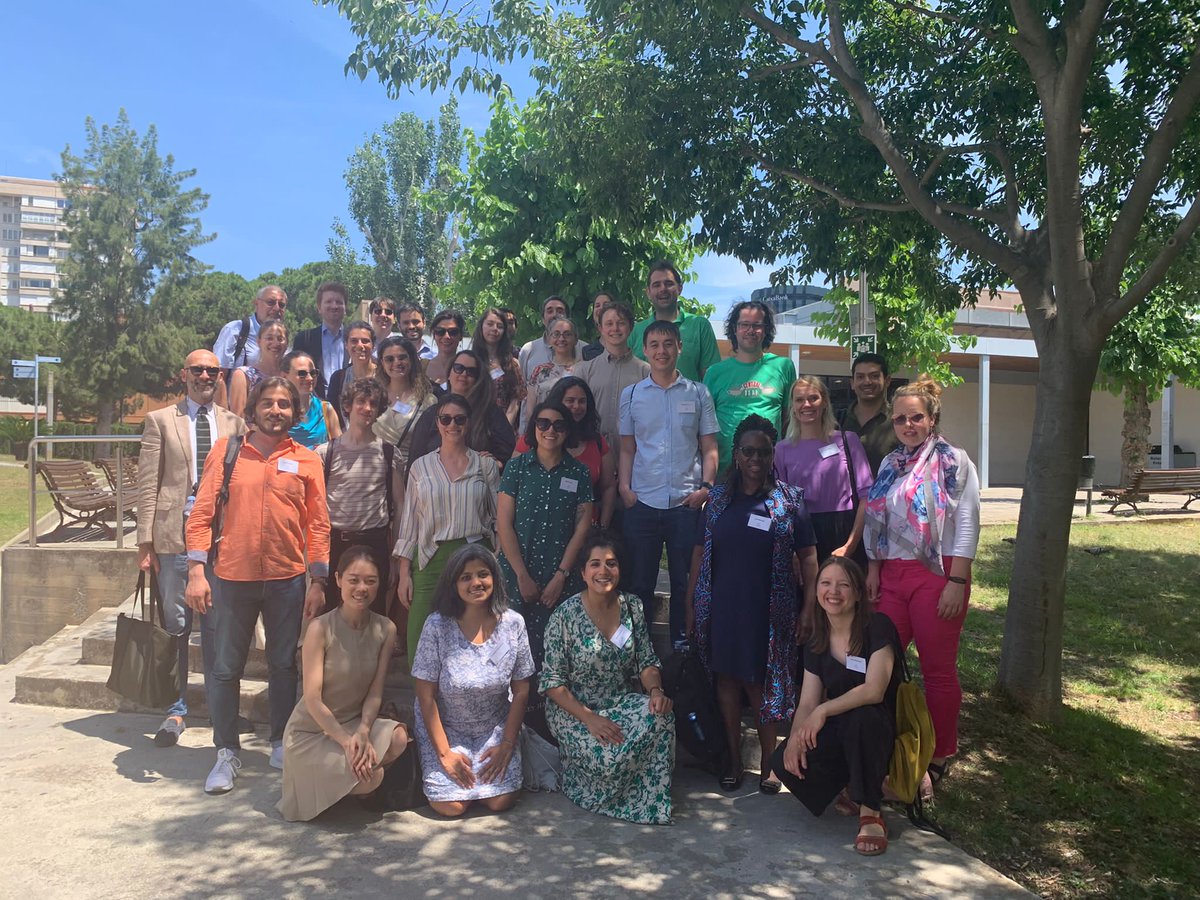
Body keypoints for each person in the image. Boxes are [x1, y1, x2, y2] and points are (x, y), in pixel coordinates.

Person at [185, 376, 331, 795]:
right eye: (268, 403)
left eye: (285, 404)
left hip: (287, 579)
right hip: (232, 578)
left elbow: (318, 524)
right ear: (254, 410)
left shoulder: (306, 460)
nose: (276, 411)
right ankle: (226, 751)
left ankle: (279, 741)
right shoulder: (229, 452)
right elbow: (200, 514)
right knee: (226, 669)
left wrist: (318, 579)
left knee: (283, 665)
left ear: (295, 412)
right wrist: (197, 570)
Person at [686, 414, 818, 792]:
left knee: (762, 684)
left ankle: (770, 763)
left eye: (763, 451)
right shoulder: (717, 502)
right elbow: (698, 555)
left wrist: (809, 607)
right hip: (723, 607)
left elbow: (809, 558)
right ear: (737, 455)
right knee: (727, 682)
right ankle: (731, 760)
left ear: (772, 454)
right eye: (748, 451)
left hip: (770, 612)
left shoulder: (789, 501)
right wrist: (691, 605)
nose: (756, 458)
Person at [864, 376, 979, 795]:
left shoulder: (955, 461)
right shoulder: (890, 464)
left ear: (932, 418)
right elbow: (882, 521)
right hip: (891, 575)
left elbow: (967, 523)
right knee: (881, 664)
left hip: (937, 573)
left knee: (937, 670)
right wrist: (874, 569)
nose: (908, 425)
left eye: (916, 417)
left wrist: (957, 581)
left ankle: (939, 754)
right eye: (900, 419)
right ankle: (889, 744)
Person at [136, 350, 246, 748]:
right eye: (197, 369)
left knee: (219, 629)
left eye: (212, 370)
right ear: (183, 374)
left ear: (219, 376)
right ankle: (175, 709)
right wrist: (144, 543)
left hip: (221, 540)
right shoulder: (161, 420)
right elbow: (148, 484)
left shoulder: (235, 424)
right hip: (173, 539)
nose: (205, 375)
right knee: (176, 628)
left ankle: (222, 710)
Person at [769, 557, 901, 856]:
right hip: (843, 721)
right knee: (783, 763)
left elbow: (875, 690)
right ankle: (855, 785)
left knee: (862, 719)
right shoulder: (818, 638)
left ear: (857, 593)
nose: (834, 591)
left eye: (844, 585)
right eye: (826, 583)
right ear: (816, 591)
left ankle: (870, 811)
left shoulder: (877, 626)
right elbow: (808, 702)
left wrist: (823, 711)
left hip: (880, 723)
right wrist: (794, 741)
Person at [541, 531, 675, 825]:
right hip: (574, 709)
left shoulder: (632, 607)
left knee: (661, 716)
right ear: (583, 573)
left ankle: (647, 803)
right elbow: (552, 683)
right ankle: (586, 785)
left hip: (619, 700)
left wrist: (654, 691)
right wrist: (589, 718)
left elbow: (646, 661)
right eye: (595, 564)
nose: (604, 571)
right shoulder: (564, 617)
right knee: (610, 756)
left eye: (611, 564)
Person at [278, 547, 411, 821]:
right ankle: (344, 781)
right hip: (312, 733)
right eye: (353, 580)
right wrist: (346, 741)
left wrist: (363, 731)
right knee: (372, 779)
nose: (361, 588)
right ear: (338, 579)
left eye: (370, 581)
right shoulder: (319, 628)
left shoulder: (386, 629)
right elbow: (312, 699)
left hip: (354, 723)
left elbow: (375, 691)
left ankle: (343, 781)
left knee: (398, 738)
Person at [411, 545, 535, 817]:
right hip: (447, 728)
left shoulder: (513, 624)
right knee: (451, 806)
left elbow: (522, 690)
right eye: (465, 577)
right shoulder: (436, 625)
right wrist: (445, 754)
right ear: (453, 584)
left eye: (483, 574)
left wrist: (507, 743)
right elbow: (425, 694)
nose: (476, 582)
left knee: (499, 801)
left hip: (494, 728)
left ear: (495, 579)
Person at [619, 320, 719, 647]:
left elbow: (709, 446)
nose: (661, 351)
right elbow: (627, 448)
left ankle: (682, 649)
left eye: (668, 344)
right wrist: (624, 489)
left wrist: (706, 487)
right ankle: (639, 651)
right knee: (640, 584)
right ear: (645, 350)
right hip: (642, 503)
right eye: (655, 345)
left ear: (679, 347)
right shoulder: (631, 394)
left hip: (685, 504)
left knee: (684, 582)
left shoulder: (699, 393)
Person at [393, 393, 502, 660]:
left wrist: (499, 558)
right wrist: (404, 573)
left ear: (468, 423)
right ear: (438, 423)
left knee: (472, 633)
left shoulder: (485, 465)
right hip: (431, 556)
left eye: (459, 419)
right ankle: (424, 700)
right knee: (420, 635)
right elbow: (410, 522)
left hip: (475, 554)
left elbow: (498, 517)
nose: (452, 425)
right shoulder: (420, 466)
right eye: (446, 418)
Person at [496, 400, 594, 672]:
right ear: (534, 427)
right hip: (518, 571)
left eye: (559, 425)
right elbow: (503, 523)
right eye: (543, 423)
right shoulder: (516, 468)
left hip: (560, 575)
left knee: (557, 652)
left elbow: (582, 528)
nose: (550, 430)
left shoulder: (579, 473)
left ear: (567, 431)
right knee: (510, 650)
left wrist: (561, 576)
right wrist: (521, 575)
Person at [315, 378, 401, 616]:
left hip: (374, 543)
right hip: (335, 544)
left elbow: (400, 506)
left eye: (373, 403)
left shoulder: (388, 452)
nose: (367, 408)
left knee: (372, 619)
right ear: (347, 406)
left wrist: (395, 558)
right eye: (361, 401)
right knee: (332, 617)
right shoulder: (325, 453)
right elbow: (315, 509)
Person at [774, 376, 873, 567]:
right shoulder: (781, 449)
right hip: (802, 535)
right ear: (792, 406)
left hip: (845, 531)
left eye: (813, 398)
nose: (807, 404)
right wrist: (791, 549)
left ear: (825, 402)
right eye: (800, 400)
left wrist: (850, 545)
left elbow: (867, 497)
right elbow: (781, 505)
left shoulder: (848, 441)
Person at [703, 300, 796, 472]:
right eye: (744, 324)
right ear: (734, 329)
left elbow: (789, 419)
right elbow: (705, 426)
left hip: (770, 470)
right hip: (725, 471)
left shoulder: (784, 367)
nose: (750, 330)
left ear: (766, 329)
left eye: (757, 325)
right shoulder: (715, 373)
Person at [513, 377, 616, 528]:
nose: (576, 406)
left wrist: (603, 528)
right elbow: (512, 486)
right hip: (535, 528)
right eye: (570, 400)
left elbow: (609, 487)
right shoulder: (532, 439)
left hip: (585, 529)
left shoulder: (597, 443)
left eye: (582, 401)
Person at [406, 349, 517, 469]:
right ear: (449, 374)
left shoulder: (490, 413)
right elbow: (415, 460)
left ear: (477, 379)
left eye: (471, 371)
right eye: (458, 368)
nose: (464, 374)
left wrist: (496, 464)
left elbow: (507, 456)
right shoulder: (431, 414)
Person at [574, 300, 650, 457]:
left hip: (634, 456)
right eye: (609, 324)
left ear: (630, 327)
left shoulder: (646, 372)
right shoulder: (584, 370)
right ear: (600, 328)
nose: (615, 328)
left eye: (621, 323)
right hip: (592, 453)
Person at [629, 260, 719, 382]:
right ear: (648, 292)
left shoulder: (699, 325)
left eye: (668, 283)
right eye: (657, 285)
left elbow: (711, 377)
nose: (663, 289)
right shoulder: (636, 331)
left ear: (680, 288)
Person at [372, 335, 437, 474]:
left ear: (412, 360)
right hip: (373, 472)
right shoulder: (372, 397)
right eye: (389, 359)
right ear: (382, 364)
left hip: (411, 475)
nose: (397, 363)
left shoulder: (428, 401)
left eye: (402, 357)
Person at [838, 352, 898, 475]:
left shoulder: (899, 421)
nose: (867, 382)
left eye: (874, 376)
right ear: (852, 383)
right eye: (860, 377)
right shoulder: (836, 420)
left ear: (887, 380)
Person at [213, 284, 288, 378]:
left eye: (281, 305)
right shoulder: (235, 330)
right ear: (256, 303)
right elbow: (220, 375)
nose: (277, 308)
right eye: (270, 302)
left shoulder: (284, 340)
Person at [293, 281, 350, 400]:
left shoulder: (355, 340)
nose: (334, 306)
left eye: (339, 302)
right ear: (319, 307)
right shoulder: (304, 339)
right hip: (314, 407)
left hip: (348, 407)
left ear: (345, 308)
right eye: (328, 301)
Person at [471, 307, 524, 428]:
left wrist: (502, 429)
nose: (494, 329)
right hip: (474, 427)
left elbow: (515, 402)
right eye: (490, 324)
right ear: (481, 327)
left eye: (499, 326)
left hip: (504, 429)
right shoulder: (470, 361)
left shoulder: (513, 364)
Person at [227, 319, 289, 421]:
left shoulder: (291, 376)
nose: (275, 343)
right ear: (259, 342)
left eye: (280, 339)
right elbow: (238, 419)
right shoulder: (243, 375)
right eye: (269, 338)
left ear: (286, 343)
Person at [524, 316, 580, 429]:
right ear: (549, 339)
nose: (561, 338)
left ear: (575, 339)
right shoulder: (539, 371)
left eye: (567, 334)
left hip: (577, 432)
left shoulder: (586, 369)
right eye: (556, 334)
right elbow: (530, 410)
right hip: (545, 432)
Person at [282, 350, 341, 450]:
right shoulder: (276, 410)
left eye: (313, 373)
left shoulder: (326, 409)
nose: (309, 378)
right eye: (302, 373)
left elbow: (339, 449)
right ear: (284, 376)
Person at [326, 320, 378, 429]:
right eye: (354, 341)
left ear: (373, 345)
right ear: (346, 344)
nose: (360, 346)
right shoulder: (338, 379)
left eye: (365, 341)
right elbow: (332, 416)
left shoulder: (384, 376)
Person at [518, 295, 570, 388]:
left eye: (560, 311)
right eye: (550, 311)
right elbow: (520, 389)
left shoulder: (582, 349)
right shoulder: (528, 350)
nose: (555, 315)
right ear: (542, 319)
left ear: (568, 318)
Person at [424, 309, 466, 384]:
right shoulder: (422, 367)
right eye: (440, 331)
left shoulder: (468, 368)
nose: (446, 336)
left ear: (461, 336)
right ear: (434, 335)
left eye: (453, 332)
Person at [580, 290, 616, 361]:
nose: (601, 308)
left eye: (606, 304)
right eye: (597, 306)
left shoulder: (627, 345)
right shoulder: (587, 352)